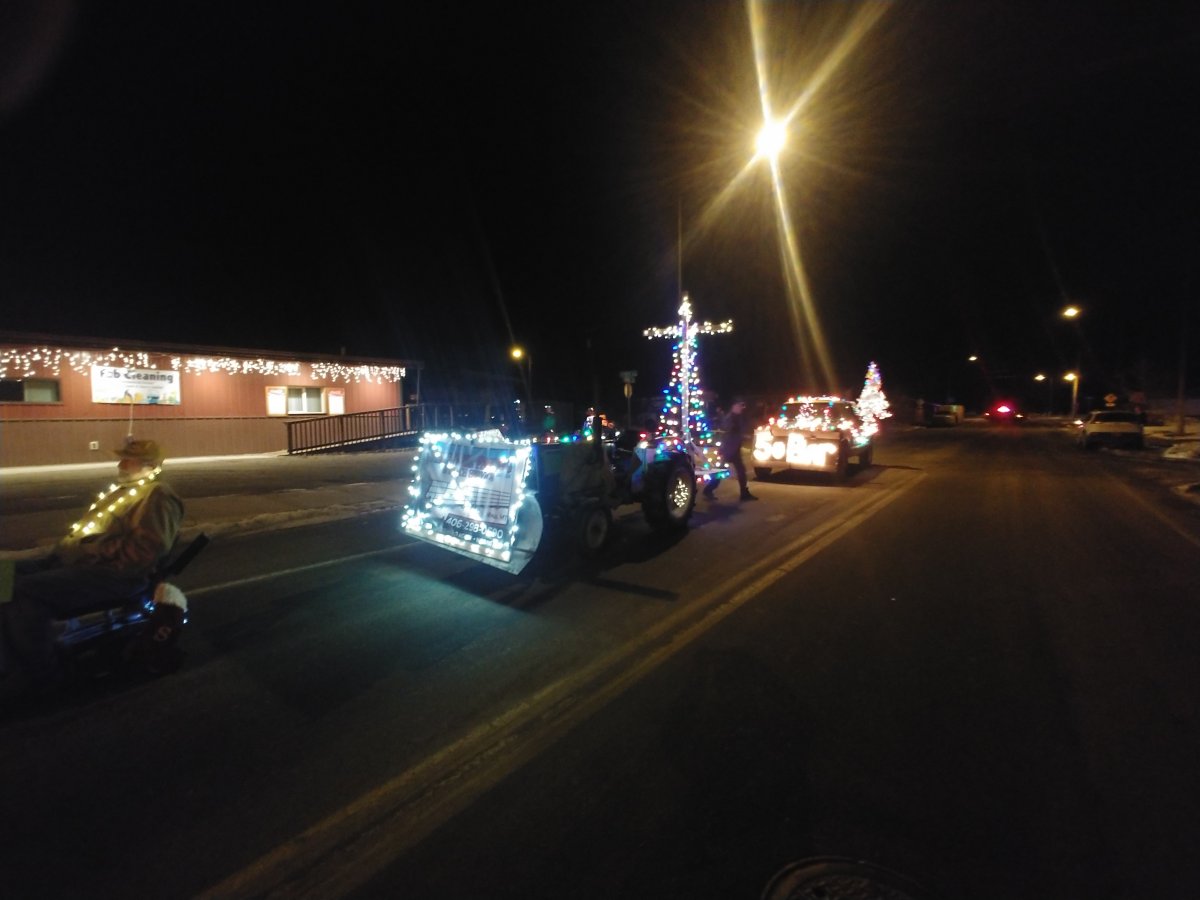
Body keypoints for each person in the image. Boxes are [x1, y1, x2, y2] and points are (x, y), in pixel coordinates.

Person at [0, 437, 184, 692]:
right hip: (76, 562)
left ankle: (45, 675)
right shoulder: (123, 491)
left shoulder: (158, 497)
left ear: (150, 465)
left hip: (116, 576)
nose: (120, 464)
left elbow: (144, 553)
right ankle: (8, 658)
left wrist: (93, 548)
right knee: (3, 576)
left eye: (127, 460)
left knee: (24, 592)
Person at [703, 397, 758, 502]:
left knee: (741, 471)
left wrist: (743, 436)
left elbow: (739, 430)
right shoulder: (730, 418)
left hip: (735, 449)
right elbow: (727, 431)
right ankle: (708, 489)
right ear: (734, 406)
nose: (741, 408)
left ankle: (744, 493)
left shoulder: (739, 417)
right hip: (728, 449)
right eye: (739, 405)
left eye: (742, 405)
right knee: (721, 471)